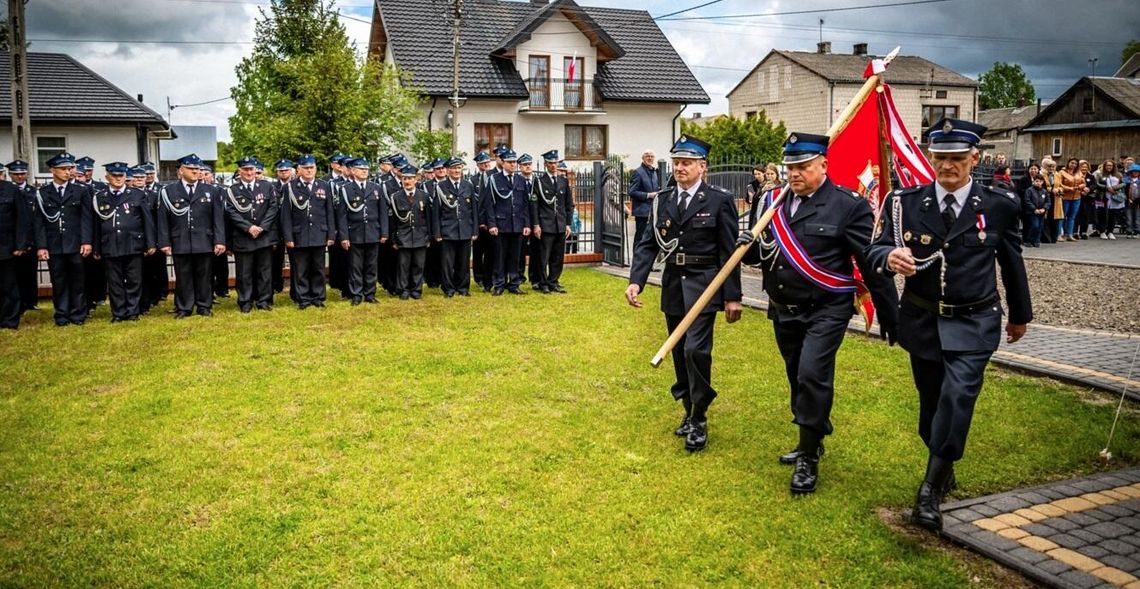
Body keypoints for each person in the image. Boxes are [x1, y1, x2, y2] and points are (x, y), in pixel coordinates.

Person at [865, 119, 1032, 532]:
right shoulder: (905, 202)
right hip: (923, 320)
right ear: (930, 158)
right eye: (940, 159)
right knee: (931, 405)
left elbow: (1011, 261)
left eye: (957, 159)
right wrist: (888, 258)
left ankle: (929, 490)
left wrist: (1020, 314)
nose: (948, 167)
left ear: (974, 159)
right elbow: (875, 248)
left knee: (957, 398)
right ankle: (944, 463)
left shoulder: (998, 205)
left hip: (975, 321)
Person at [741, 132, 898, 495]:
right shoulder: (771, 201)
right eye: (790, 166)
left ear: (823, 165)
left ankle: (809, 457)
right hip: (783, 308)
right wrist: (744, 245)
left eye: (803, 166)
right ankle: (810, 436)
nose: (795, 174)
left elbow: (869, 260)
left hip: (826, 308)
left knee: (813, 374)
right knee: (797, 376)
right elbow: (760, 254)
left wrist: (891, 312)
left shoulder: (848, 205)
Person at [625, 135, 743, 453]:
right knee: (678, 353)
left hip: (704, 286)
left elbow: (729, 252)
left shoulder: (719, 200)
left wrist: (733, 297)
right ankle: (689, 411)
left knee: (696, 351)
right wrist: (636, 280)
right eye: (677, 162)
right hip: (674, 285)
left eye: (687, 162)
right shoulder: (663, 199)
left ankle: (701, 417)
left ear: (702, 167)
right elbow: (649, 242)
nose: (680, 168)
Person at [156, 154, 226, 318]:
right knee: (183, 276)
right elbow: (163, 219)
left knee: (205, 275)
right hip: (180, 240)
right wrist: (164, 242)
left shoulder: (211, 190)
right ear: (181, 171)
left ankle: (204, 306)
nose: (196, 172)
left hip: (204, 240)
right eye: (191, 169)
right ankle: (184, 307)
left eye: (197, 169)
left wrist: (220, 240)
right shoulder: (168, 191)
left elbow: (218, 218)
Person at [90, 162, 155, 322]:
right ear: (107, 177)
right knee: (114, 280)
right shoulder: (100, 197)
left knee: (134, 279)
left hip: (133, 243)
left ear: (126, 177)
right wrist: (97, 248)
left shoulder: (137, 194)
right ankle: (118, 313)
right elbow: (96, 225)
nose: (118, 179)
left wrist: (150, 243)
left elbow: (147, 221)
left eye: (121, 176)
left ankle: (133, 311)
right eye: (115, 176)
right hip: (110, 244)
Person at [34, 153, 93, 326]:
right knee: (58, 281)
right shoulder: (43, 193)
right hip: (54, 245)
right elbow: (39, 222)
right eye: (63, 169)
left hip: (75, 243)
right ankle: (61, 314)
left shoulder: (81, 190)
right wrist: (41, 246)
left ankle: (78, 314)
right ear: (52, 170)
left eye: (69, 168)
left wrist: (87, 241)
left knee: (78, 281)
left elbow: (86, 218)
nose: (68, 172)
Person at [281, 154, 336, 309]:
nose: (309, 170)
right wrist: (288, 236)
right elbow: (285, 214)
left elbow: (329, 211)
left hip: (319, 233)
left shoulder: (324, 186)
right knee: (301, 269)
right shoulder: (290, 187)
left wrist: (331, 234)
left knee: (318, 268)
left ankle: (318, 297)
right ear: (298, 170)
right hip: (299, 234)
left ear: (316, 169)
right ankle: (303, 298)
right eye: (305, 168)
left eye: (311, 168)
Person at [225, 157, 280, 312]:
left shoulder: (267, 186)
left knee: (264, 271)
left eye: (251, 169)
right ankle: (245, 302)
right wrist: (249, 227)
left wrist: (261, 227)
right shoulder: (232, 190)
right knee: (244, 273)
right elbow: (231, 212)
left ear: (256, 171)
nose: (249, 172)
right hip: (243, 237)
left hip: (264, 236)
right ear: (240, 171)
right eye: (245, 169)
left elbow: (273, 208)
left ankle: (264, 300)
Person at [338, 157, 388, 305]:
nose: (365, 171)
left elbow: (382, 212)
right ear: (353, 171)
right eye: (361, 169)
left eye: (366, 169)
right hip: (355, 233)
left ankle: (370, 293)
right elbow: (342, 215)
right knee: (356, 266)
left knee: (371, 265)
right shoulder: (346, 189)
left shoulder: (376, 188)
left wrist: (384, 232)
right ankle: (356, 294)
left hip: (373, 232)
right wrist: (344, 237)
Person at [483, 148, 531, 296]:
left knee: (515, 257)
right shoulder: (494, 179)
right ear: (502, 163)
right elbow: (489, 204)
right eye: (509, 162)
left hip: (517, 224)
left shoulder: (520, 180)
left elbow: (525, 204)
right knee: (499, 256)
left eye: (514, 162)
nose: (513, 165)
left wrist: (527, 224)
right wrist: (491, 224)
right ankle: (499, 284)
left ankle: (514, 283)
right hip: (501, 225)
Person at [432, 157, 478, 297]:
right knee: (447, 262)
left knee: (463, 262)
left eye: (459, 168)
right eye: (453, 168)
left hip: (464, 229)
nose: (457, 170)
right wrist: (437, 232)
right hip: (448, 229)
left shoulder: (467, 185)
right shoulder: (441, 187)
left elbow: (473, 210)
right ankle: (449, 289)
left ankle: (463, 288)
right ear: (447, 170)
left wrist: (474, 229)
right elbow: (436, 212)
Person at [530, 150, 573, 294]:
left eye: (555, 163)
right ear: (545, 164)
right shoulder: (539, 181)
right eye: (550, 163)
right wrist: (536, 224)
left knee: (558, 256)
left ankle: (553, 281)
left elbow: (568, 204)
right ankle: (543, 283)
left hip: (560, 224)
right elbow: (534, 204)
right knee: (544, 256)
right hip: (546, 224)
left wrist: (568, 223)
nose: (553, 166)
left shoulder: (563, 181)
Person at [390, 163, 434, 300]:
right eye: (404, 178)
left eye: (410, 178)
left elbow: (429, 218)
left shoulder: (424, 196)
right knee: (403, 265)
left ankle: (416, 289)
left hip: (420, 236)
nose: (407, 181)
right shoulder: (396, 197)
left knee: (418, 265)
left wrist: (429, 237)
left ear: (416, 179)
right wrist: (394, 239)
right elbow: (392, 221)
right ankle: (403, 289)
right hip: (403, 237)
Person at [7, 160, 39, 313]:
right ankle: (17, 302)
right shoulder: (7, 191)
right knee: (14, 274)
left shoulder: (34, 192)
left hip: (31, 239)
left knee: (30, 272)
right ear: (10, 175)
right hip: (12, 239)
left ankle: (30, 301)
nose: (19, 176)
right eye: (16, 174)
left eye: (22, 173)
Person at [0, 173, 29, 329]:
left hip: (6, 247)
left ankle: (9, 320)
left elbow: (23, 218)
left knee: (8, 286)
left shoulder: (11, 190)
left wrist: (20, 245)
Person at [470, 152, 496, 292]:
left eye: (488, 163)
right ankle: (478, 277)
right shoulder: (473, 181)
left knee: (491, 251)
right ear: (478, 165)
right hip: (478, 223)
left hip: (491, 222)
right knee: (478, 252)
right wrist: (479, 221)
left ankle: (489, 276)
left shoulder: (493, 177)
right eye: (483, 164)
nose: (486, 165)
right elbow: (475, 204)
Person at [628, 149, 660, 247]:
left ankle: (645, 259)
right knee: (640, 237)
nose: (650, 158)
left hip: (654, 210)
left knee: (650, 237)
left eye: (651, 156)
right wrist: (649, 195)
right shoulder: (638, 172)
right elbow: (632, 192)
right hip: (642, 212)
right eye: (647, 156)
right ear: (643, 158)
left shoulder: (654, 172)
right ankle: (636, 259)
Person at [1058, 157, 1084, 241]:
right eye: (1072, 163)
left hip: (1076, 197)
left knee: (1072, 217)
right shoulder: (1062, 172)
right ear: (1068, 163)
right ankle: (1060, 234)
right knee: (1063, 216)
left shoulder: (1079, 173)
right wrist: (1069, 188)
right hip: (1066, 196)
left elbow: (1083, 183)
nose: (1073, 165)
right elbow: (1059, 184)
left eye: (1075, 164)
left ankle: (1069, 234)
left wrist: (1080, 186)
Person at [1040, 158, 1063, 243]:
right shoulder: (1042, 175)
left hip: (1056, 198)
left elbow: (1061, 185)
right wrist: (1051, 189)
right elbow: (1043, 186)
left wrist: (1059, 190)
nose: (1051, 168)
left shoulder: (1057, 175)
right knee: (1047, 219)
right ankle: (1046, 238)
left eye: (1053, 167)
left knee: (1055, 219)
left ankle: (1054, 237)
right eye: (1049, 166)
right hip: (1046, 197)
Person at [1101, 160, 1125, 239]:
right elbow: (1097, 184)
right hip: (1103, 196)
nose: (1109, 167)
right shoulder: (1100, 174)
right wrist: (1106, 188)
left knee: (1113, 215)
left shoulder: (1118, 175)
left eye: (1110, 165)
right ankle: (1102, 231)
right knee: (1103, 214)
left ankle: (1110, 232)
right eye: (1107, 165)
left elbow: (1123, 183)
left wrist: (1115, 188)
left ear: (1113, 166)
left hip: (1115, 196)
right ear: (1104, 166)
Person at [1023, 174, 1049, 247]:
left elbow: (1048, 201)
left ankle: (1036, 240)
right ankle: (1029, 240)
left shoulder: (1044, 191)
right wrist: (1034, 209)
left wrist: (1044, 208)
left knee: (1040, 226)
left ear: (1043, 182)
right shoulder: (1029, 190)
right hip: (1032, 212)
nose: (1038, 183)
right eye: (1037, 181)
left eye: (1040, 181)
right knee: (1035, 225)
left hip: (1041, 212)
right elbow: (1027, 201)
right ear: (1033, 181)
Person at [1127, 164, 1140, 238]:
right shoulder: (1127, 180)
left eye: (1137, 171)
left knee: (1137, 217)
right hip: (1128, 201)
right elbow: (1123, 191)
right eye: (1134, 171)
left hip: (1138, 202)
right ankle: (1129, 231)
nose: (1135, 173)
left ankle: (1137, 231)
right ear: (1131, 172)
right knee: (1129, 217)